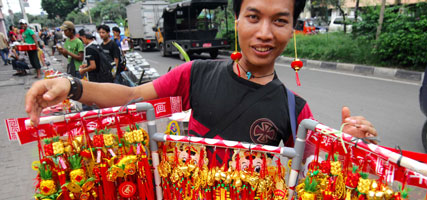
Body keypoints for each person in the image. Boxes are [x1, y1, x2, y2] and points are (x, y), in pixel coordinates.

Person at [25, 0, 377, 145]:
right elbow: (132, 97)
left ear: (292, 30)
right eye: (254, 17)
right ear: (237, 19)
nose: (266, 33)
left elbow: (315, 175)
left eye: (280, 21)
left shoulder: (294, 110)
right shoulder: (196, 74)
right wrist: (70, 84)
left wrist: (349, 144)